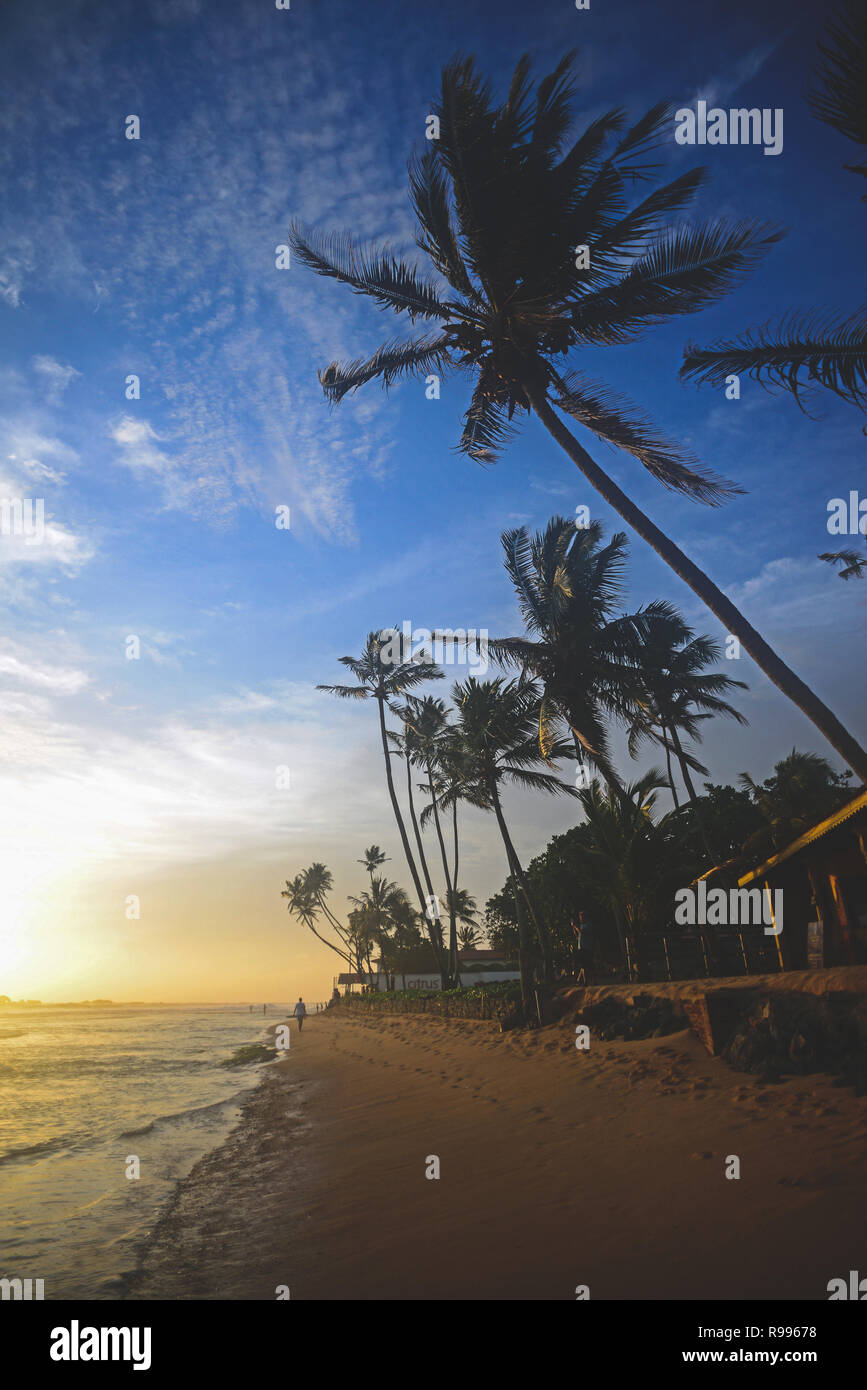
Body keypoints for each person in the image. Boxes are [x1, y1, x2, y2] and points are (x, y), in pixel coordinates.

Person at [574, 911, 596, 986]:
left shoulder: (588, 925)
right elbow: (578, 936)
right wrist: (573, 928)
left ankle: (587, 981)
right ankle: (583, 981)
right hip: (581, 947)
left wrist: (575, 927)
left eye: (582, 917)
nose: (581, 919)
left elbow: (581, 932)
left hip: (587, 948)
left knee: (588, 966)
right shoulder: (582, 925)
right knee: (584, 965)